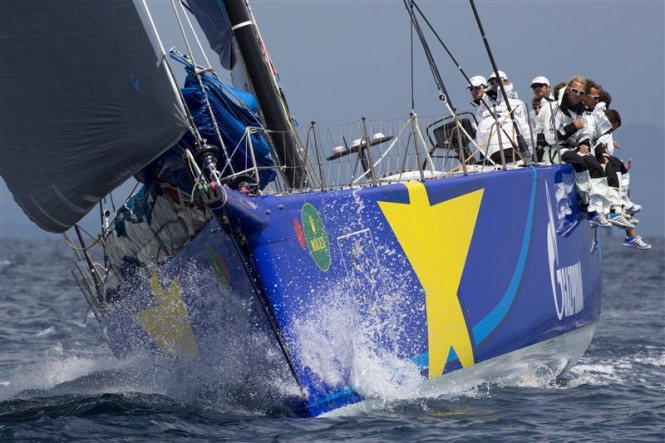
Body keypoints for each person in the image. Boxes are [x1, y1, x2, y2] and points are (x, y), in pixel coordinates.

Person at [553, 75, 632, 230]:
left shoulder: (581, 111)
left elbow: (585, 134)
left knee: (595, 163)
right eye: (574, 91)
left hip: (573, 147)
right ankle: (585, 203)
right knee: (580, 161)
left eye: (581, 93)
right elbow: (552, 137)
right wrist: (573, 127)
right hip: (555, 149)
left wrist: (584, 145)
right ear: (568, 90)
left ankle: (598, 208)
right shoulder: (556, 108)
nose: (577, 95)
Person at [593, 108, 651, 250]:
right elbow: (595, 147)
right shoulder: (600, 132)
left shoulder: (607, 135)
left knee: (623, 174)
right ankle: (619, 213)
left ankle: (628, 224)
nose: (612, 132)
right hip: (598, 170)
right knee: (617, 178)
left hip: (606, 168)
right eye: (613, 129)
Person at [474, 70, 533, 164]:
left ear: (506, 81)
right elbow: (481, 129)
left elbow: (525, 125)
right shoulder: (485, 105)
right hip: (493, 151)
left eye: (497, 81)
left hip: (515, 148)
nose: (494, 84)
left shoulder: (518, 103)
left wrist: (530, 152)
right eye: (492, 82)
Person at [530, 75, 558, 162]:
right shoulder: (532, 112)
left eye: (540, 86)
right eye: (534, 87)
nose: (537, 88)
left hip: (555, 146)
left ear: (548, 88)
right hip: (538, 147)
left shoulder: (556, 104)